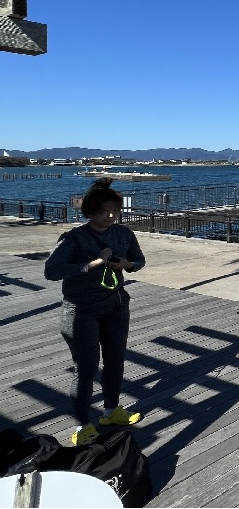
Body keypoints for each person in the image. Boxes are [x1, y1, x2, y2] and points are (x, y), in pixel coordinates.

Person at [43, 178, 146, 445]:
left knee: (115, 361)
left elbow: (139, 260)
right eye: (103, 210)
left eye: (115, 209)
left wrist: (127, 264)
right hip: (80, 311)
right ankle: (82, 424)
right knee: (86, 368)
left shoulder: (124, 234)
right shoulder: (73, 238)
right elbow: (51, 271)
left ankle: (111, 411)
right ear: (89, 212)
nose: (110, 215)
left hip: (115, 305)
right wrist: (92, 264)